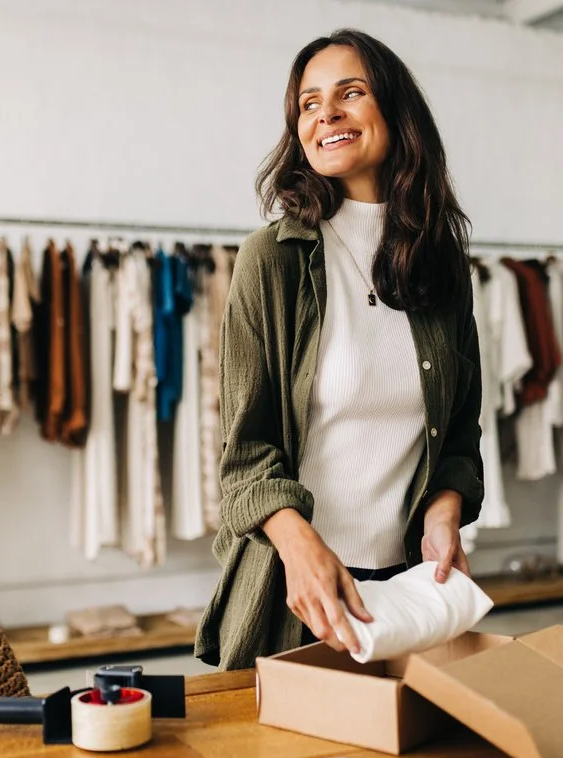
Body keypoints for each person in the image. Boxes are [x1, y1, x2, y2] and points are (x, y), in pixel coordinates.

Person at [195, 29, 484, 671]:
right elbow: (245, 457)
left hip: (409, 595)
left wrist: (444, 512)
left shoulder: (443, 268)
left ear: (396, 112)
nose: (325, 113)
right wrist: (299, 548)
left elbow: (460, 430)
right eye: (308, 102)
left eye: (350, 93)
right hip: (296, 594)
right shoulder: (271, 261)